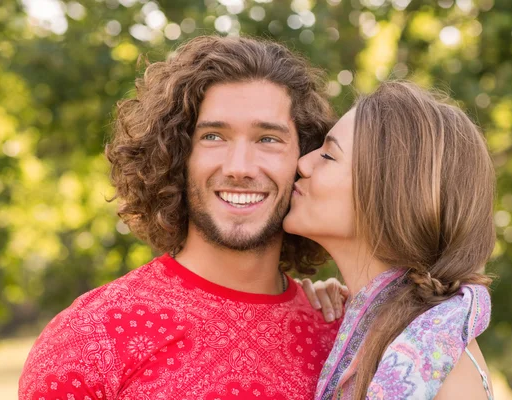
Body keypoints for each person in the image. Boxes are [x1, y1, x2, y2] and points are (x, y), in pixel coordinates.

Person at [19, 36, 347, 400]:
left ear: (305, 159)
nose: (239, 167)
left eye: (268, 139)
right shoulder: (90, 338)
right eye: (213, 136)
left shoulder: (343, 337)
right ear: (177, 154)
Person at [284, 81, 495, 400]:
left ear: (389, 194)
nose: (303, 163)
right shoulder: (375, 330)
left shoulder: (442, 369)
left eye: (328, 155)